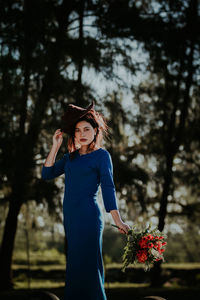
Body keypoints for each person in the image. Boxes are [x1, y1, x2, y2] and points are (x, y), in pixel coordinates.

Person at [41, 101, 130, 300]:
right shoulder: (70, 158)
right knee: (74, 266)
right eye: (78, 129)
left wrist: (118, 220)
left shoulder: (101, 156)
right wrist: (55, 146)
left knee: (90, 266)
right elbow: (46, 174)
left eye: (87, 129)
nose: (82, 133)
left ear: (95, 131)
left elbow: (108, 188)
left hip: (89, 218)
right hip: (71, 219)